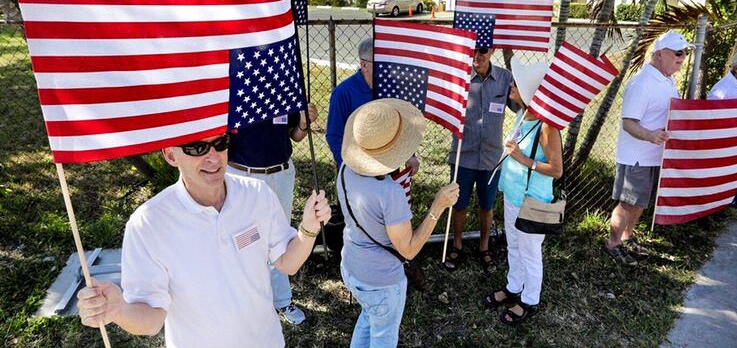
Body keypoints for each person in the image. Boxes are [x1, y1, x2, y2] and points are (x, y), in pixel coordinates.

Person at [75, 133, 331, 347]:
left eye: (220, 143)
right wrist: (118, 310)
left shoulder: (258, 196)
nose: (213, 157)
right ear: (170, 155)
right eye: (197, 147)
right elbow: (151, 320)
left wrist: (307, 229)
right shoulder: (148, 224)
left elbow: (287, 263)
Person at [337, 99, 459, 347]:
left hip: (351, 266)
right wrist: (438, 206)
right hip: (381, 282)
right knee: (383, 337)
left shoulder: (345, 170)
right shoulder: (389, 193)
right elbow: (409, 249)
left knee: (369, 319)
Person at [482, 59, 562, 325]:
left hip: (533, 200)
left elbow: (556, 169)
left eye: (516, 84)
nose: (511, 86)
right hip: (514, 193)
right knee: (513, 245)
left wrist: (521, 158)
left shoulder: (547, 125)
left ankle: (530, 299)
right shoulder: (522, 113)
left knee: (530, 252)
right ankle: (513, 286)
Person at [603, 30, 693, 266]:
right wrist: (651, 135)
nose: (682, 57)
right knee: (628, 202)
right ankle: (612, 244)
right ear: (660, 54)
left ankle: (626, 237)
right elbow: (629, 123)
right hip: (637, 156)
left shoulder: (666, 80)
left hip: (654, 155)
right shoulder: (642, 84)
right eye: (678, 53)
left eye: (685, 53)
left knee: (641, 202)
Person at [225, 104, 318, 325]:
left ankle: (281, 299)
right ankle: (246, 297)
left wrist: (304, 123)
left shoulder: (283, 87)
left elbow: (294, 135)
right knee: (245, 238)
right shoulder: (237, 84)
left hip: (281, 174)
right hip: (243, 174)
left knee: (280, 237)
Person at [444, 47, 513, 273]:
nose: (477, 56)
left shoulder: (504, 78)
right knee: (459, 203)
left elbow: (520, 104)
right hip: (463, 155)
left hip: (491, 157)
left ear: (492, 50)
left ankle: (484, 247)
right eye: (472, 50)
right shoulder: (459, 76)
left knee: (487, 204)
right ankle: (457, 244)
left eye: (482, 50)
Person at [326, 38, 419, 172]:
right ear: (364, 65)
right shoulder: (343, 92)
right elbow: (334, 135)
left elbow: (402, 126)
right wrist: (347, 167)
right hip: (357, 168)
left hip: (389, 166)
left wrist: (410, 155)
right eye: (379, 63)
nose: (385, 67)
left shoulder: (390, 89)